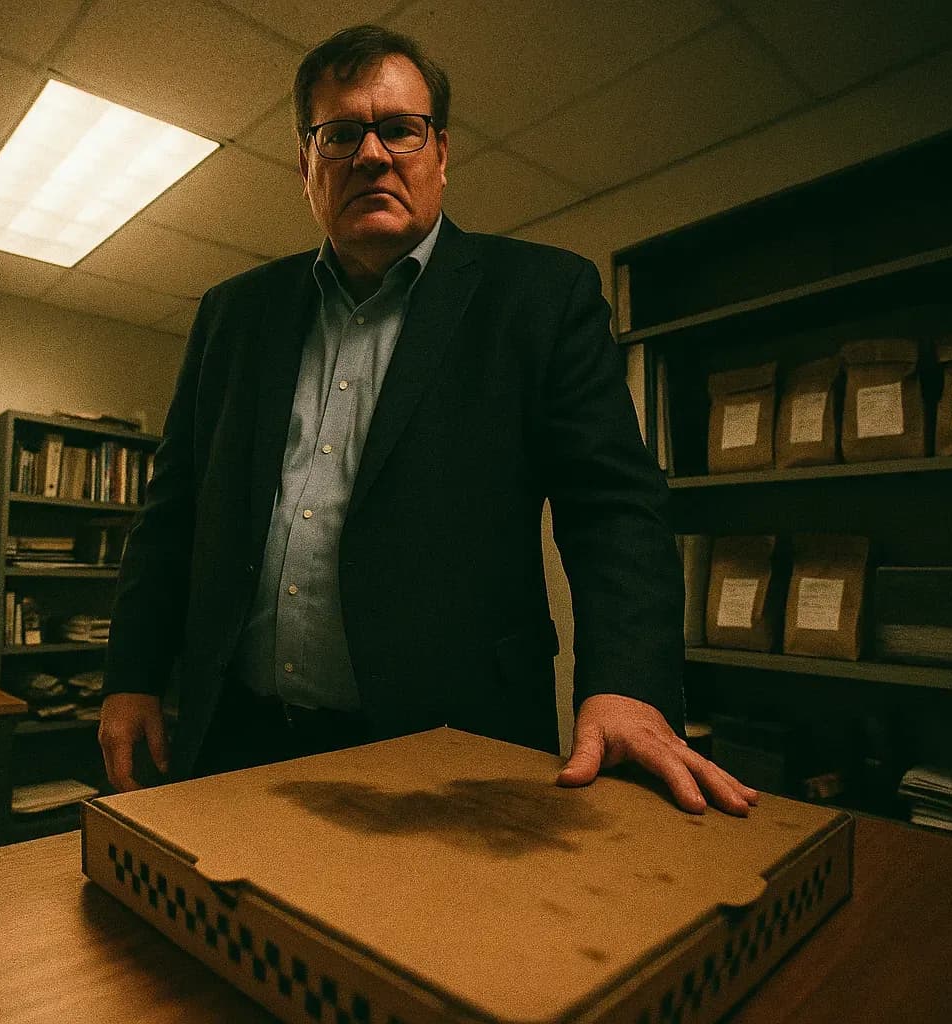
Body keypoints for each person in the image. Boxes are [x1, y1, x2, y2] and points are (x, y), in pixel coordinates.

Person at [98, 24, 756, 816]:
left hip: (450, 744)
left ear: (440, 152)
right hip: (237, 735)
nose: (371, 155)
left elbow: (613, 508)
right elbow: (173, 510)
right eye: (340, 134)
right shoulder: (233, 315)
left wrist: (627, 685)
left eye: (400, 129)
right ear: (305, 165)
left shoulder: (541, 298)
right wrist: (132, 673)